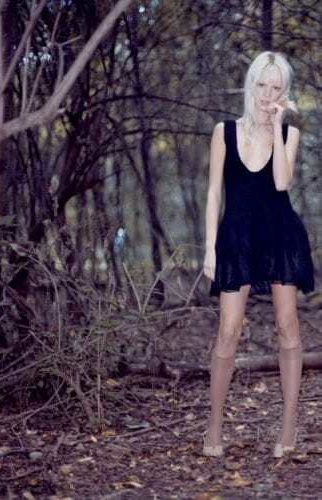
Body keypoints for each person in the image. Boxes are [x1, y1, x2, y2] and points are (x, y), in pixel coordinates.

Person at [203, 51, 314, 458]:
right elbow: (214, 192)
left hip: (280, 235)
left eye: (276, 87)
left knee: (287, 326)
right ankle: (214, 425)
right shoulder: (224, 132)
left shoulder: (290, 133)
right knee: (228, 331)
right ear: (251, 84)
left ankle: (288, 423)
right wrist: (210, 247)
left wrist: (280, 125)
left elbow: (282, 183)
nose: (267, 93)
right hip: (237, 237)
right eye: (262, 84)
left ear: (284, 92)